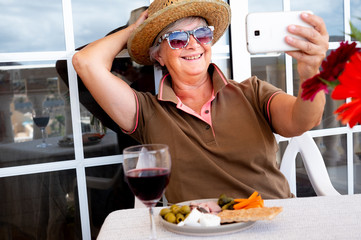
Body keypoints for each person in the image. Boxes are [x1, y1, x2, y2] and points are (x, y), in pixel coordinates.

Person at [72, 0, 329, 203]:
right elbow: (85, 62)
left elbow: (303, 120)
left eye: (202, 34)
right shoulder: (146, 111)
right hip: (198, 230)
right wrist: (136, 30)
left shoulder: (252, 92)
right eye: (176, 39)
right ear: (158, 55)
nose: (193, 44)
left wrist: (311, 74)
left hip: (272, 222)